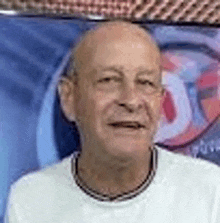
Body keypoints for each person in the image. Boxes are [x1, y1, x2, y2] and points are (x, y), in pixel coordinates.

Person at [4, 20, 220, 223]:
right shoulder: (30, 199)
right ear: (69, 98)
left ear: (160, 101)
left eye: (145, 82)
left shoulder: (210, 191)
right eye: (109, 80)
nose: (131, 100)